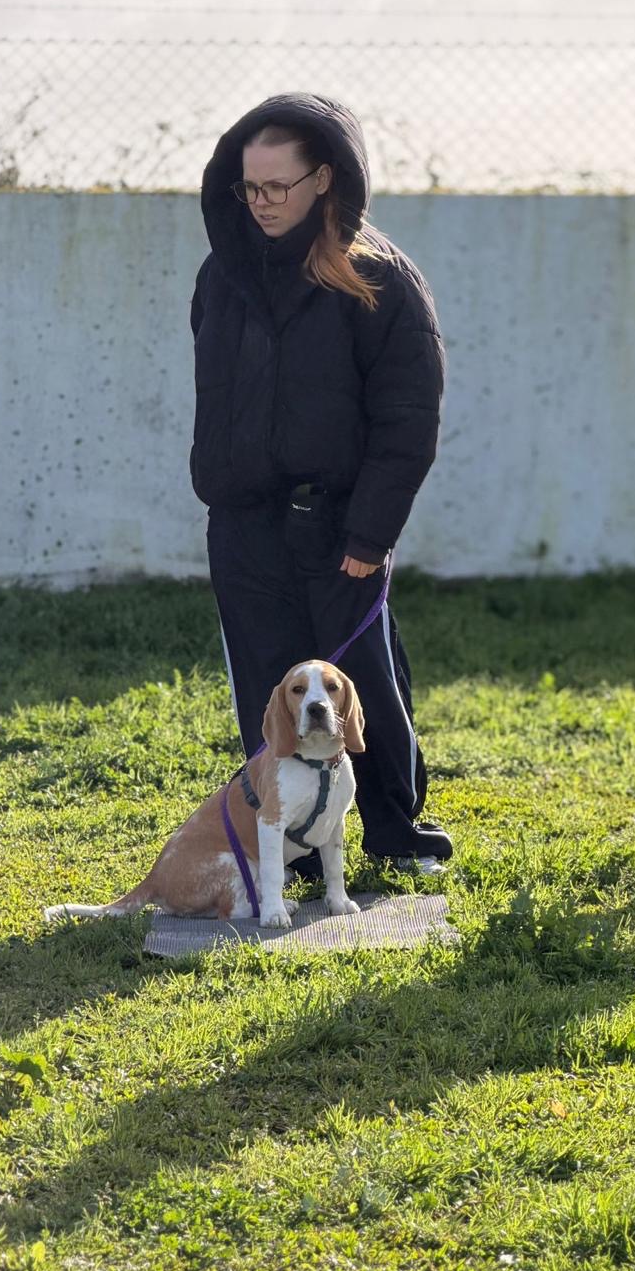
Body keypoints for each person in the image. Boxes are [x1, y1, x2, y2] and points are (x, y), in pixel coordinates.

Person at [191, 93, 451, 873]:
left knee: (359, 682)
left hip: (340, 528)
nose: (262, 202)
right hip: (244, 526)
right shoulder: (222, 275)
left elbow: (408, 420)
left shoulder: (380, 280)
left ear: (326, 179)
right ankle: (295, 849)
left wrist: (370, 534)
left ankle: (396, 831)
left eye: (279, 185)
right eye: (249, 187)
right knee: (269, 689)